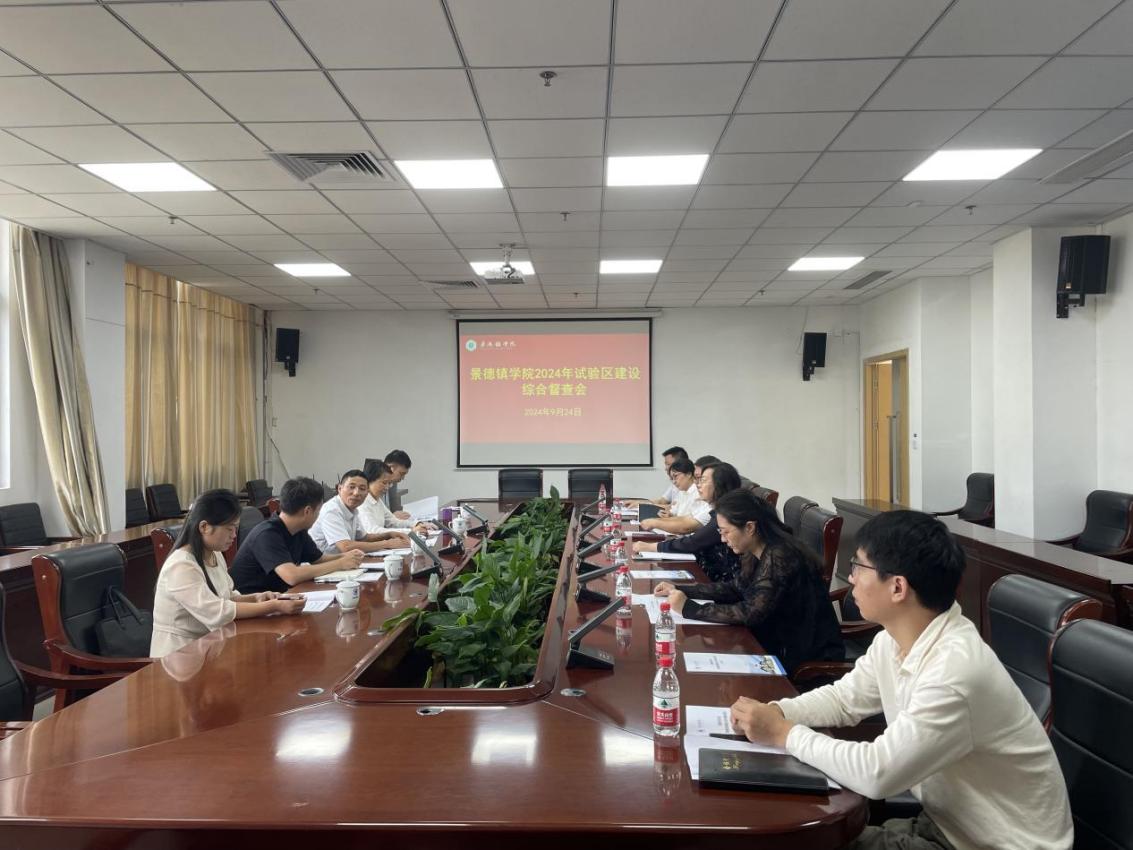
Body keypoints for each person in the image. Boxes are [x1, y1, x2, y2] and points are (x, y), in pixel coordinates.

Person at [729, 511, 1072, 850]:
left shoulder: (954, 672)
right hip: (947, 824)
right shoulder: (895, 640)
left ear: (897, 587)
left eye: (858, 566)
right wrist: (777, 711)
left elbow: (878, 773)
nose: (851, 578)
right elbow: (844, 700)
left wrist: (783, 733)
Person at [654, 488, 843, 674]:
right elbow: (736, 588)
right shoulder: (756, 549)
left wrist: (689, 608)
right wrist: (681, 589)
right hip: (772, 640)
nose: (722, 539)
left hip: (801, 654)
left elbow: (751, 613)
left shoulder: (779, 555)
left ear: (750, 527)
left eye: (726, 532)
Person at [150, 489, 305, 657]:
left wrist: (258, 598)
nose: (234, 535)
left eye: (235, 528)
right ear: (204, 527)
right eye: (229, 529)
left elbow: (227, 597)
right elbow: (217, 611)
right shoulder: (181, 565)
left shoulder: (214, 554)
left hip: (208, 646)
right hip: (178, 656)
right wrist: (274, 606)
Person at [230, 476, 366, 595]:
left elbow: (318, 559)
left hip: (280, 597)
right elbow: (292, 575)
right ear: (307, 511)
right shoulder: (267, 534)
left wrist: (346, 556)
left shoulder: (298, 530)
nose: (318, 516)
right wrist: (340, 563)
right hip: (253, 604)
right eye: (318, 511)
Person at [634, 461, 742, 581]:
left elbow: (693, 541)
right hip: (702, 571)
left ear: (720, 485)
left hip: (715, 581)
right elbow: (687, 520)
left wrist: (651, 547)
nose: (698, 485)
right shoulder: (716, 511)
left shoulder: (726, 515)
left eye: (703, 480)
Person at [309, 469, 410, 554]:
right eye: (351, 487)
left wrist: (389, 535)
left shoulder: (353, 509)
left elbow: (364, 538)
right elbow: (346, 546)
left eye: (362, 488)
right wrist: (387, 544)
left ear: (367, 493)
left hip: (341, 561)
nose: (356, 493)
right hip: (322, 566)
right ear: (339, 488)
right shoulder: (331, 510)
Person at [639, 458, 710, 535]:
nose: (674, 482)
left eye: (675, 476)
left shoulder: (700, 494)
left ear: (689, 474)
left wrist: (655, 522)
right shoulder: (682, 492)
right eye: (672, 479)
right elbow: (676, 514)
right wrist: (668, 515)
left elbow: (687, 525)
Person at [358, 462, 427, 534]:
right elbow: (373, 531)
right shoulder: (362, 503)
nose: (387, 487)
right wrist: (410, 531)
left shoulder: (377, 500)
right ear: (369, 481)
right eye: (384, 483)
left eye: (389, 483)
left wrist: (416, 524)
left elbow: (393, 522)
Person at [383, 449, 413, 520]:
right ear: (390, 468)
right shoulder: (374, 485)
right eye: (401, 474)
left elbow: (394, 509)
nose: (403, 478)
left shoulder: (393, 483)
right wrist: (392, 517)